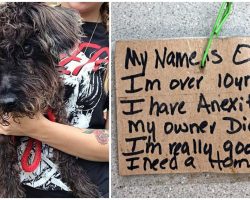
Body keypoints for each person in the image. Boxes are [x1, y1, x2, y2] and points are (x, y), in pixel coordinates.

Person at [0, 2, 109, 198]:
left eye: (26, 51)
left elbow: (120, 147)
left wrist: (35, 127)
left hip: (92, 186)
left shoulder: (118, 41)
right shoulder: (19, 18)